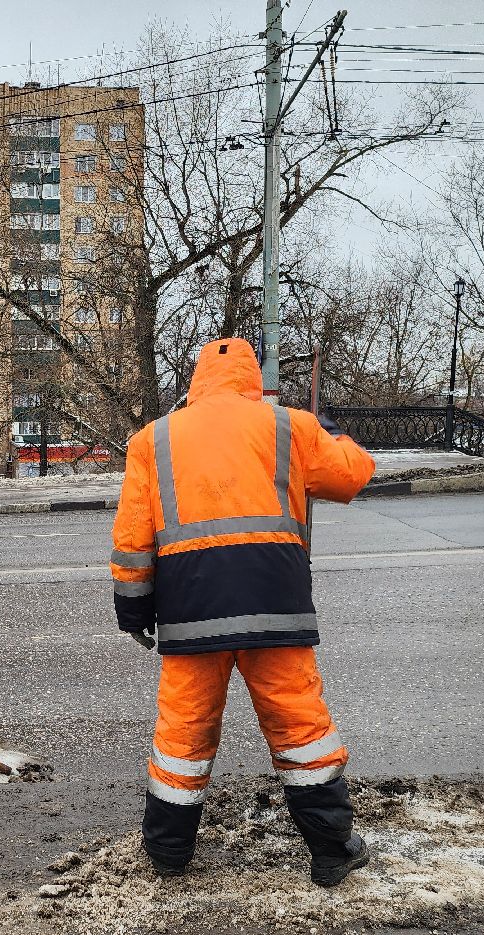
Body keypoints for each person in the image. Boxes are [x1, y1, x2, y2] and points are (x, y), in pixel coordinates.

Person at [109, 337, 377, 886]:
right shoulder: (290, 427)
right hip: (274, 606)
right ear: (254, 379)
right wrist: (332, 432)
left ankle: (167, 853)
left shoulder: (153, 440)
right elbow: (352, 476)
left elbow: (133, 539)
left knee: (183, 730)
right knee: (300, 725)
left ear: (195, 380)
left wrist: (133, 608)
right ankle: (331, 850)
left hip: (190, 609)